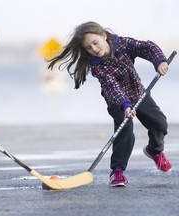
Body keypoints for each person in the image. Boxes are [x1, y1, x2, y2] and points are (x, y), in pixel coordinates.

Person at [47, 21, 172, 187]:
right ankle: (117, 171)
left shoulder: (123, 44)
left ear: (104, 36)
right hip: (116, 101)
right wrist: (125, 106)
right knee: (125, 130)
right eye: (88, 48)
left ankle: (154, 151)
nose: (94, 49)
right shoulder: (97, 66)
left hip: (138, 93)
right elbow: (112, 87)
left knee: (160, 123)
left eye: (95, 43)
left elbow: (146, 47)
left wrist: (160, 62)